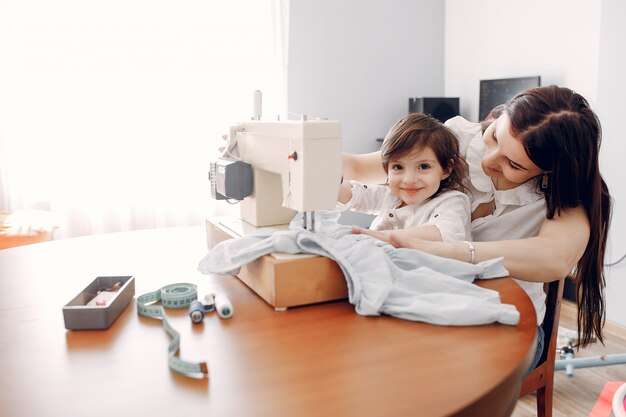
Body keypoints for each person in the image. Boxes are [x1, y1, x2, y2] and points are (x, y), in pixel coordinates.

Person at [342, 85, 612, 356]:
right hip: (430, 299)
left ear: (550, 171)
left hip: (504, 320)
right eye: (494, 136)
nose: (488, 160)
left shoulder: (565, 197)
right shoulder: (456, 139)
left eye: (514, 164)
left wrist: (445, 250)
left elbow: (554, 259)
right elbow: (358, 167)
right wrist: (309, 153)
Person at [337, 113, 470, 242]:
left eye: (423, 167)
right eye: (398, 167)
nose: (409, 180)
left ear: (446, 169)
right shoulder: (390, 196)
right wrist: (330, 186)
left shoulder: (452, 201)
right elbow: (356, 194)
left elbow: (443, 234)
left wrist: (378, 237)